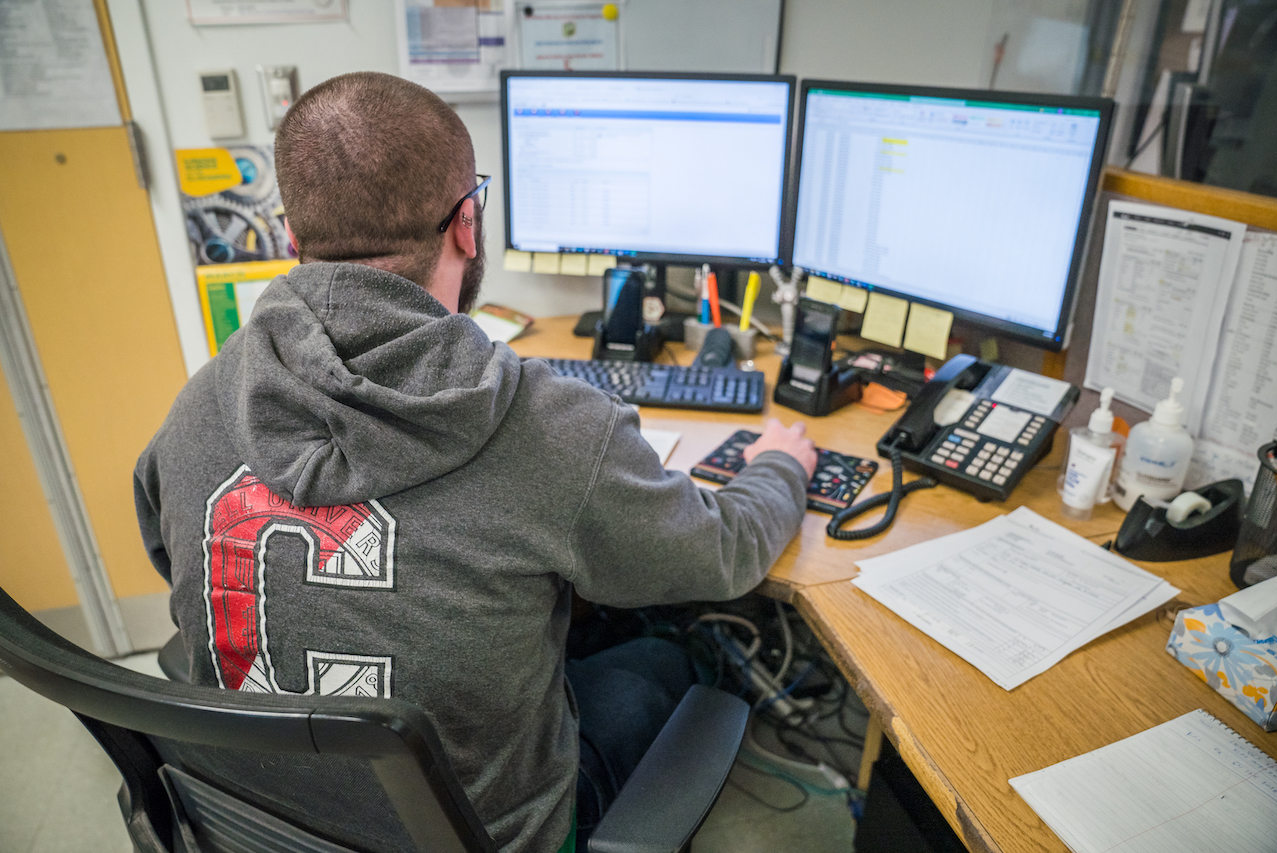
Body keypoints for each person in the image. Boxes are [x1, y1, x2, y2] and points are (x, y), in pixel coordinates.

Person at [134, 71, 817, 853]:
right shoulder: (551, 427)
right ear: (467, 224)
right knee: (660, 660)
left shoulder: (200, 400)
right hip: (490, 837)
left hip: (259, 819)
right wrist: (778, 465)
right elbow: (721, 554)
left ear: (292, 234)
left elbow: (169, 551)